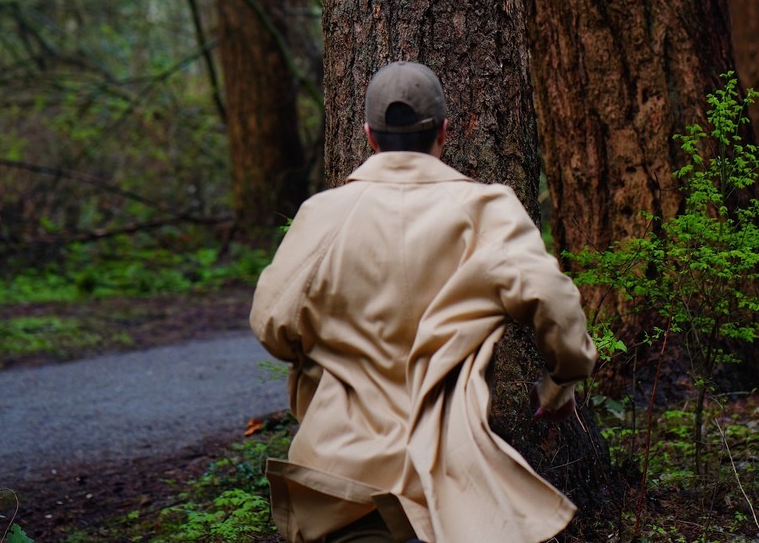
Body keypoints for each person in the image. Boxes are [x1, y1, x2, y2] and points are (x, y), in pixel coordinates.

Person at [250, 61, 597, 543]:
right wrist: (562, 381)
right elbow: (555, 300)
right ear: (445, 132)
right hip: (454, 488)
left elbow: (271, 322)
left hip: (344, 480)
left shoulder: (322, 215)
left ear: (369, 135)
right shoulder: (487, 210)